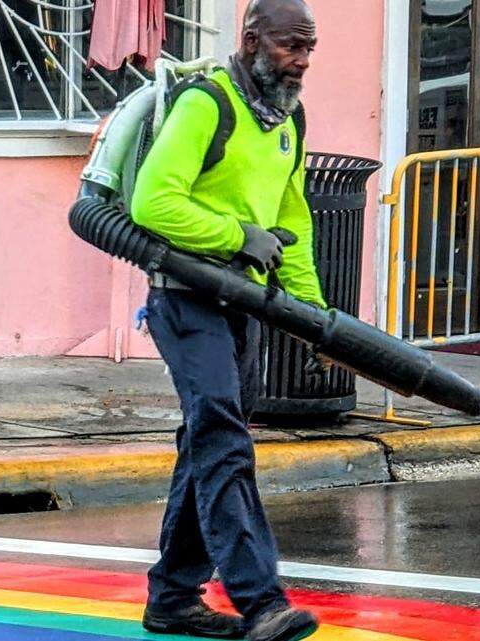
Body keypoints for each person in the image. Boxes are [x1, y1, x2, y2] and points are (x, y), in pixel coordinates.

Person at [129, 1, 323, 640]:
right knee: (223, 438)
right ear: (249, 40)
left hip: (241, 307)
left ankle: (173, 598)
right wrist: (237, 235)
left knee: (207, 442)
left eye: (308, 50)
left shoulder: (288, 123)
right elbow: (153, 202)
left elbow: (293, 221)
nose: (299, 62)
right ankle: (262, 599)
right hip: (184, 299)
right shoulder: (205, 105)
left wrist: (314, 317)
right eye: (289, 47)